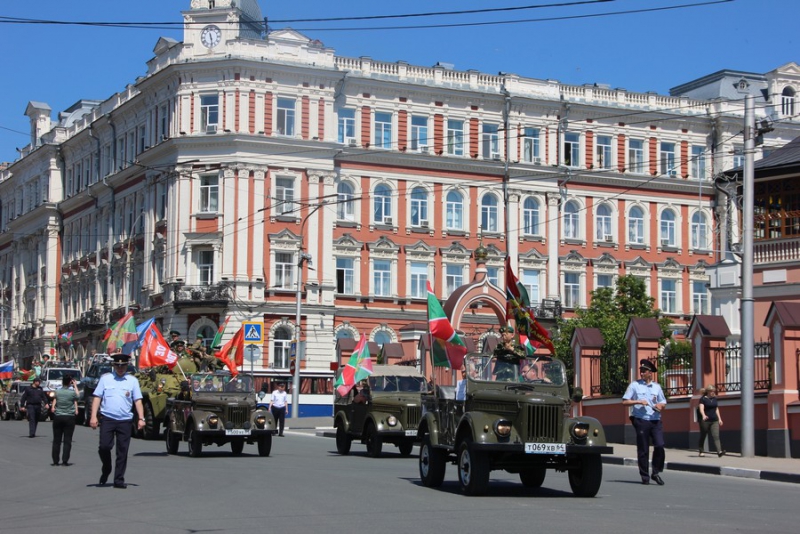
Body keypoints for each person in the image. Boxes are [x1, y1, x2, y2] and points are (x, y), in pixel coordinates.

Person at [90, 352, 145, 489]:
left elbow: (138, 400)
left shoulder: (132, 381)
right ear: (114, 366)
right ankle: (107, 467)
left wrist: (141, 418)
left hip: (125, 420)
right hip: (108, 418)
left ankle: (119, 479)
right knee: (104, 447)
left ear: (127, 366)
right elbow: (97, 397)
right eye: (118, 366)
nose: (120, 368)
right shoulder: (105, 379)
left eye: (123, 366)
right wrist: (93, 416)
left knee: (122, 451)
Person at [622, 359, 667, 485]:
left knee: (659, 445)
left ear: (650, 373)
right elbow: (624, 401)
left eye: (644, 371)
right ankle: (645, 476)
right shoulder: (634, 385)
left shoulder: (657, 387)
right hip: (641, 420)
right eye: (641, 371)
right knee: (643, 449)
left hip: (655, 420)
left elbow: (663, 402)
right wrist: (638, 401)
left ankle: (656, 472)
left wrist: (660, 405)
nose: (641, 373)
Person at [51, 374, 79, 466]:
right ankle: (65, 460)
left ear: (62, 382)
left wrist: (53, 407)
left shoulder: (57, 391)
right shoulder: (72, 393)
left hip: (58, 416)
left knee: (56, 440)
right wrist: (75, 385)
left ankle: (55, 461)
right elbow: (78, 396)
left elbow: (55, 399)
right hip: (69, 417)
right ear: (70, 382)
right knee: (67, 440)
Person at [698, 385, 725, 457]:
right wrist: (703, 415)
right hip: (705, 420)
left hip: (714, 420)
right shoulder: (703, 399)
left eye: (714, 391)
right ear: (708, 392)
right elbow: (701, 408)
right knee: (703, 435)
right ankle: (701, 451)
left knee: (716, 435)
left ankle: (719, 452)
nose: (713, 392)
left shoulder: (715, 399)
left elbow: (716, 409)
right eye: (711, 391)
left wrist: (719, 419)